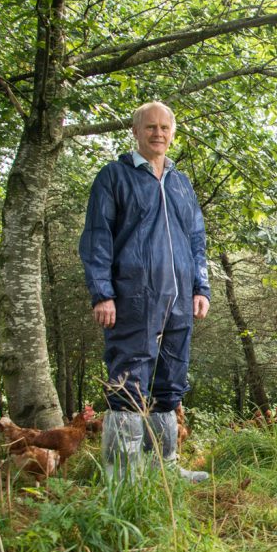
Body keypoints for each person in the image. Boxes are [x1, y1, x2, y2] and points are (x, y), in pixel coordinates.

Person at [79, 101, 210, 482]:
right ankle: (123, 477)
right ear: (135, 132)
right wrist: (102, 292)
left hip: (179, 301)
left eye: (164, 128)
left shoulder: (181, 183)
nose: (158, 133)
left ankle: (164, 469)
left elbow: (196, 239)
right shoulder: (114, 177)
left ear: (172, 133)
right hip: (132, 298)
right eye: (149, 127)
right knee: (128, 383)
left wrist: (200, 287)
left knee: (169, 382)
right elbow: (96, 238)